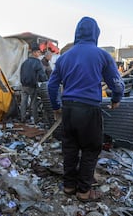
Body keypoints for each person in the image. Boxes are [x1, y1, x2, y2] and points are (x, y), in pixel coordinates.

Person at [48, 17, 124, 202]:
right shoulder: (102, 55)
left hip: (69, 109)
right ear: (95, 34)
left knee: (70, 148)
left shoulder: (64, 57)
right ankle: (83, 191)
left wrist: (56, 106)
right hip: (89, 109)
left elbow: (51, 85)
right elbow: (117, 83)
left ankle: (68, 186)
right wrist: (116, 99)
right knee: (90, 149)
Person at [20, 44, 47, 123]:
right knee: (34, 103)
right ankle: (35, 120)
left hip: (24, 85)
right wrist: (45, 80)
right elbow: (42, 75)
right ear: (34, 52)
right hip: (32, 86)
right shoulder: (37, 62)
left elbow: (21, 73)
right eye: (38, 52)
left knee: (23, 102)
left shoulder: (25, 62)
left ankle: (23, 118)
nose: (39, 54)